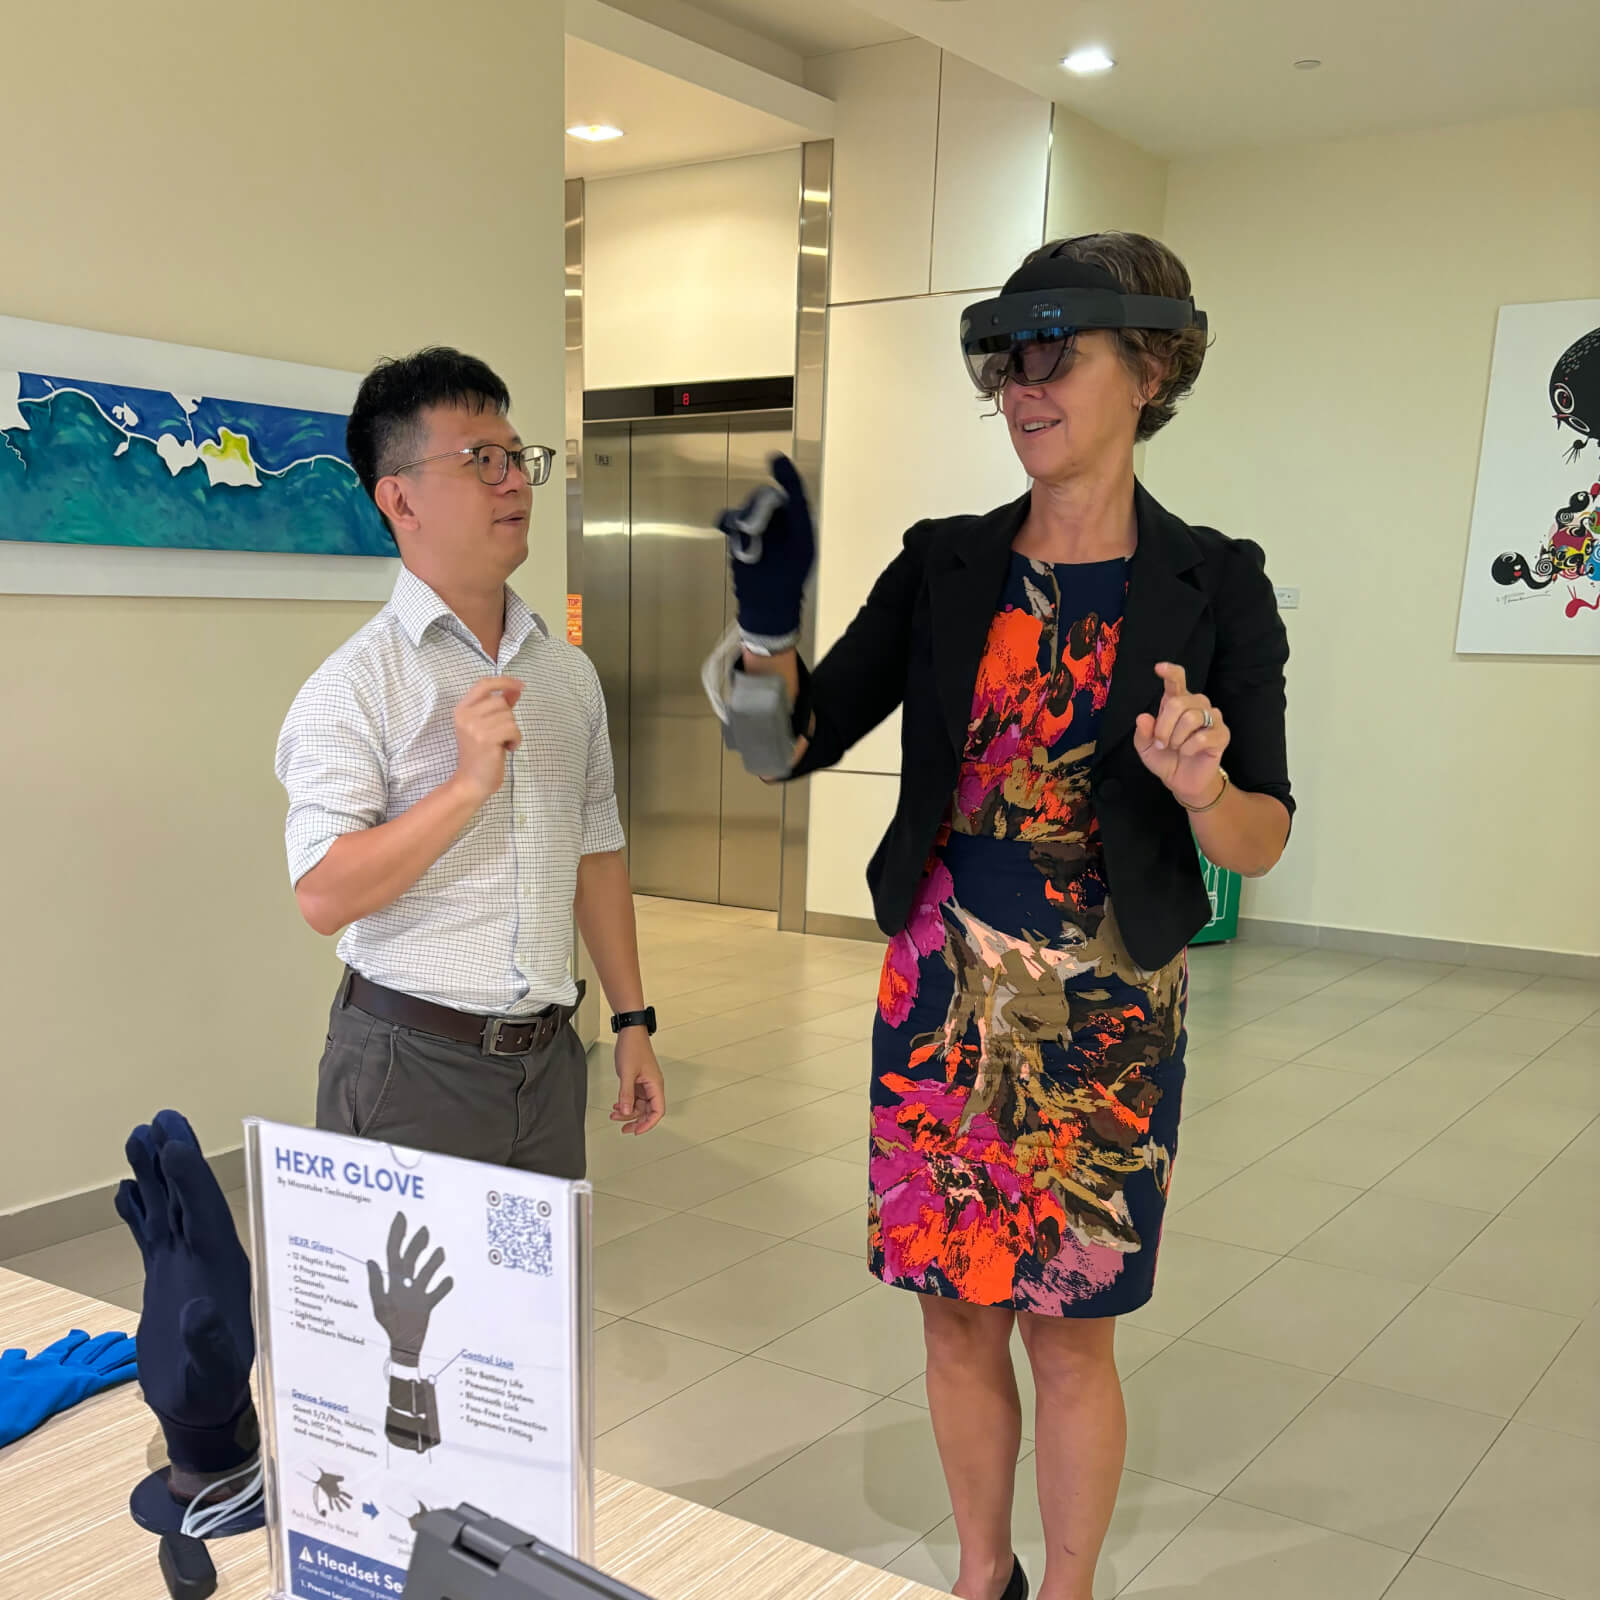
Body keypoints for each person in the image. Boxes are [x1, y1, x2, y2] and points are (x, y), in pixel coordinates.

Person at [720, 234, 1292, 1600]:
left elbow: (1261, 837)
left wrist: (1204, 789)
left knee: (1072, 1332)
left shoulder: (1219, 581)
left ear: (1152, 368)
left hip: (1105, 1016)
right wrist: (757, 627)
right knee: (958, 1314)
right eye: (1004, 365)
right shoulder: (947, 565)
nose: (1023, 390)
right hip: (938, 999)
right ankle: (985, 1574)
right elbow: (780, 746)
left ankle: (1073, 1585)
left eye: (1058, 357)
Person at [276, 348, 664, 1179]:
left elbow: (596, 852)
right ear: (400, 497)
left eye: (518, 459)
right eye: (480, 461)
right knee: (410, 1311)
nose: (515, 482)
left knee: (536, 1314)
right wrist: (464, 789)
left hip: (549, 1061)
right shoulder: (356, 683)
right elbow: (322, 892)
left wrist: (633, 1020)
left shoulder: (564, 676)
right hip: (409, 1067)